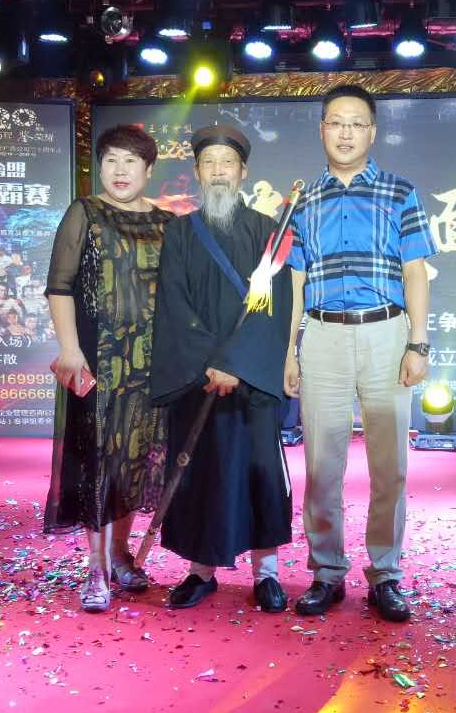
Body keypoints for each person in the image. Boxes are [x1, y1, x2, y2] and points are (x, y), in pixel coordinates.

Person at [284, 85, 436, 623]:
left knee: (389, 466)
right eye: (335, 122)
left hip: (385, 334)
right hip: (322, 336)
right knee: (322, 466)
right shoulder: (302, 200)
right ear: (322, 130)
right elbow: (296, 280)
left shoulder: (400, 192)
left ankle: (386, 574)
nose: (345, 133)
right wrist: (290, 350)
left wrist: (418, 342)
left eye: (356, 123)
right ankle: (327, 572)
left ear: (372, 132)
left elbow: (415, 270)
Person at [150, 124, 294, 613]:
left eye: (227, 163)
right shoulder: (179, 232)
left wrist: (235, 365)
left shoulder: (268, 232)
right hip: (197, 377)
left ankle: (266, 573)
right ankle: (200, 571)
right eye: (208, 163)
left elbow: (274, 308)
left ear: (243, 171)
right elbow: (174, 305)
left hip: (250, 380)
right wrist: (209, 364)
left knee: (260, 473)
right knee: (200, 472)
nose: (218, 172)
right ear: (197, 172)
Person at [43, 125, 174, 613]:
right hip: (98, 361)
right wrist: (69, 348)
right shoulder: (85, 213)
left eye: (130, 161)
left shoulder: (167, 223)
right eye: (111, 160)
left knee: (135, 459)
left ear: (148, 170)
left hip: (151, 364)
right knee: (99, 459)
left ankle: (121, 554)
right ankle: (96, 569)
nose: (120, 170)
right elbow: (60, 286)